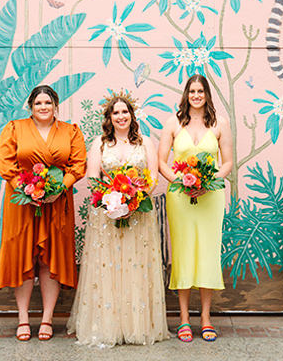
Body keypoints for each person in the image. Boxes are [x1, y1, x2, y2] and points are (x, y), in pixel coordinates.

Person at [67, 92, 169, 347]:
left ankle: (136, 326)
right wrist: (110, 201)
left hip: (138, 216)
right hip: (107, 216)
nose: (121, 116)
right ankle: (108, 326)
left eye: (125, 112)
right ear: (109, 118)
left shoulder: (144, 143)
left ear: (132, 116)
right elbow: (92, 178)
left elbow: (154, 176)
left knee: (135, 266)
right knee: (109, 268)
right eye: (116, 113)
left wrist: (135, 200)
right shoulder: (99, 144)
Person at [0, 85, 86, 341]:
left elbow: (78, 164)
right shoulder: (15, 128)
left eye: (48, 102)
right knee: (24, 256)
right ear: (30, 107)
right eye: (38, 103)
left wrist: (60, 189)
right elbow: (6, 162)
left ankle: (47, 318)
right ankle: (23, 318)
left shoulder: (70, 131)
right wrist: (25, 190)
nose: (43, 107)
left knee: (50, 258)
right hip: (22, 203)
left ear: (55, 105)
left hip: (57, 203)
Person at [158, 75, 233, 342]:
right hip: (181, 199)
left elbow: (227, 163)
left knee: (207, 253)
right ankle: (183, 318)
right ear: (186, 94)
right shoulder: (173, 123)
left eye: (201, 91)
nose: (196, 95)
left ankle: (205, 317)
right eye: (192, 91)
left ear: (207, 94)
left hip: (210, 198)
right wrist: (182, 181)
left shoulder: (220, 123)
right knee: (184, 252)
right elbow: (162, 163)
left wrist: (208, 181)